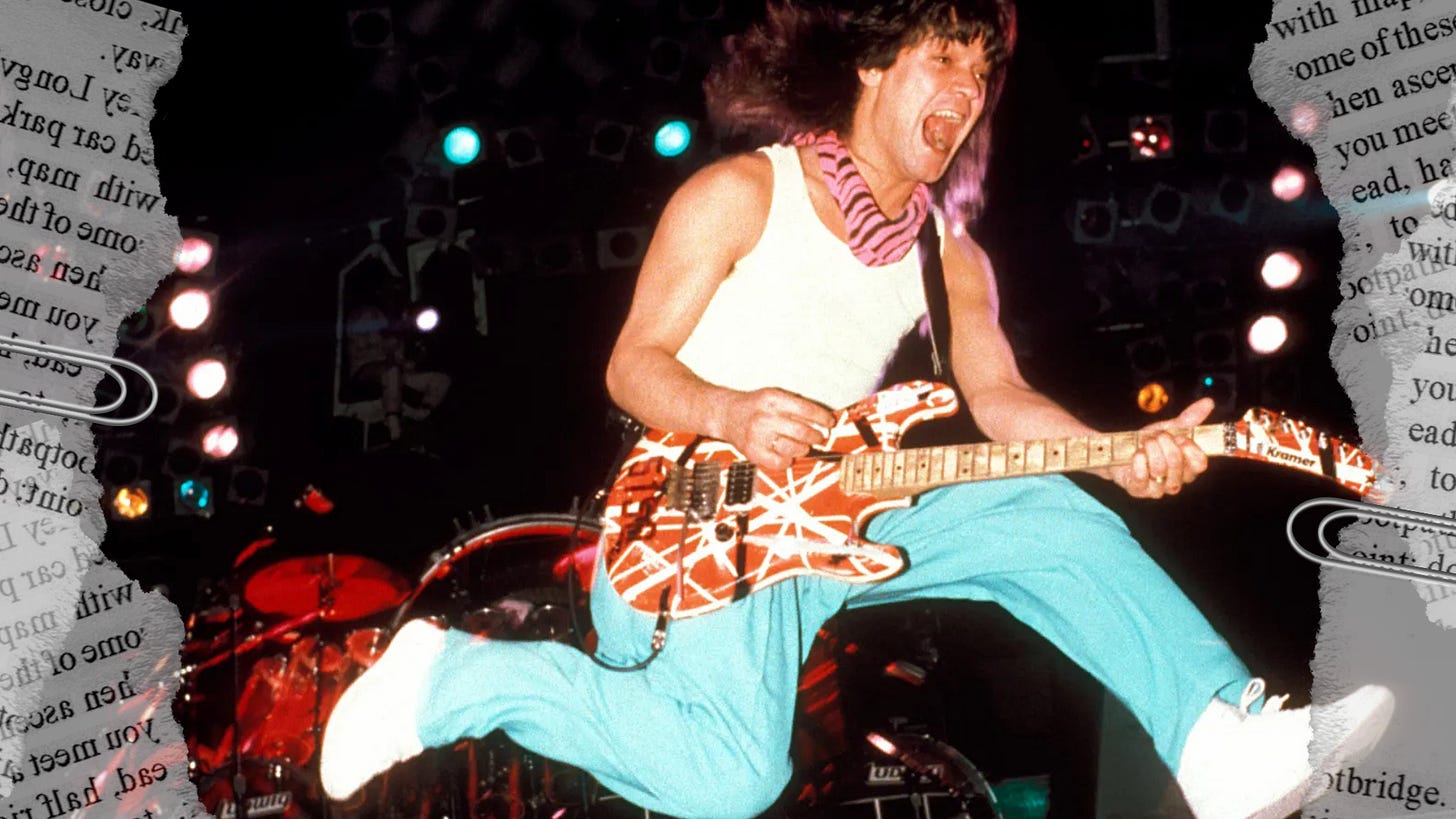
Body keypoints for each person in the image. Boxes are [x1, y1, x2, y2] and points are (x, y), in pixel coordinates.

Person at [320, 2, 1394, 817]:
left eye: (982, 71)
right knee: (732, 782)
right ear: (872, 65)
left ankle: (1216, 736)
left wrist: (1114, 453)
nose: (968, 89)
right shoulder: (744, 195)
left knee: (1044, 509)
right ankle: (453, 678)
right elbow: (631, 367)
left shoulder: (949, 254)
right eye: (944, 58)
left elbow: (1001, 398)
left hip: (829, 516)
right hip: (698, 518)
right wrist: (730, 409)